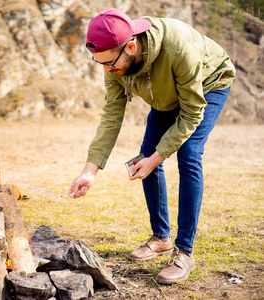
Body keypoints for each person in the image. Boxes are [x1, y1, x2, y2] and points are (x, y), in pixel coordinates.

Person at [68, 9, 235, 284]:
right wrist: (90, 171)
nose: (107, 70)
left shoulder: (177, 48)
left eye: (109, 63)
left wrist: (158, 157)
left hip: (208, 84)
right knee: (145, 157)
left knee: (189, 154)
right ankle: (161, 237)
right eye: (100, 63)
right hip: (168, 93)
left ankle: (185, 253)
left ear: (131, 46)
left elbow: (192, 113)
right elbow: (112, 114)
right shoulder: (115, 59)